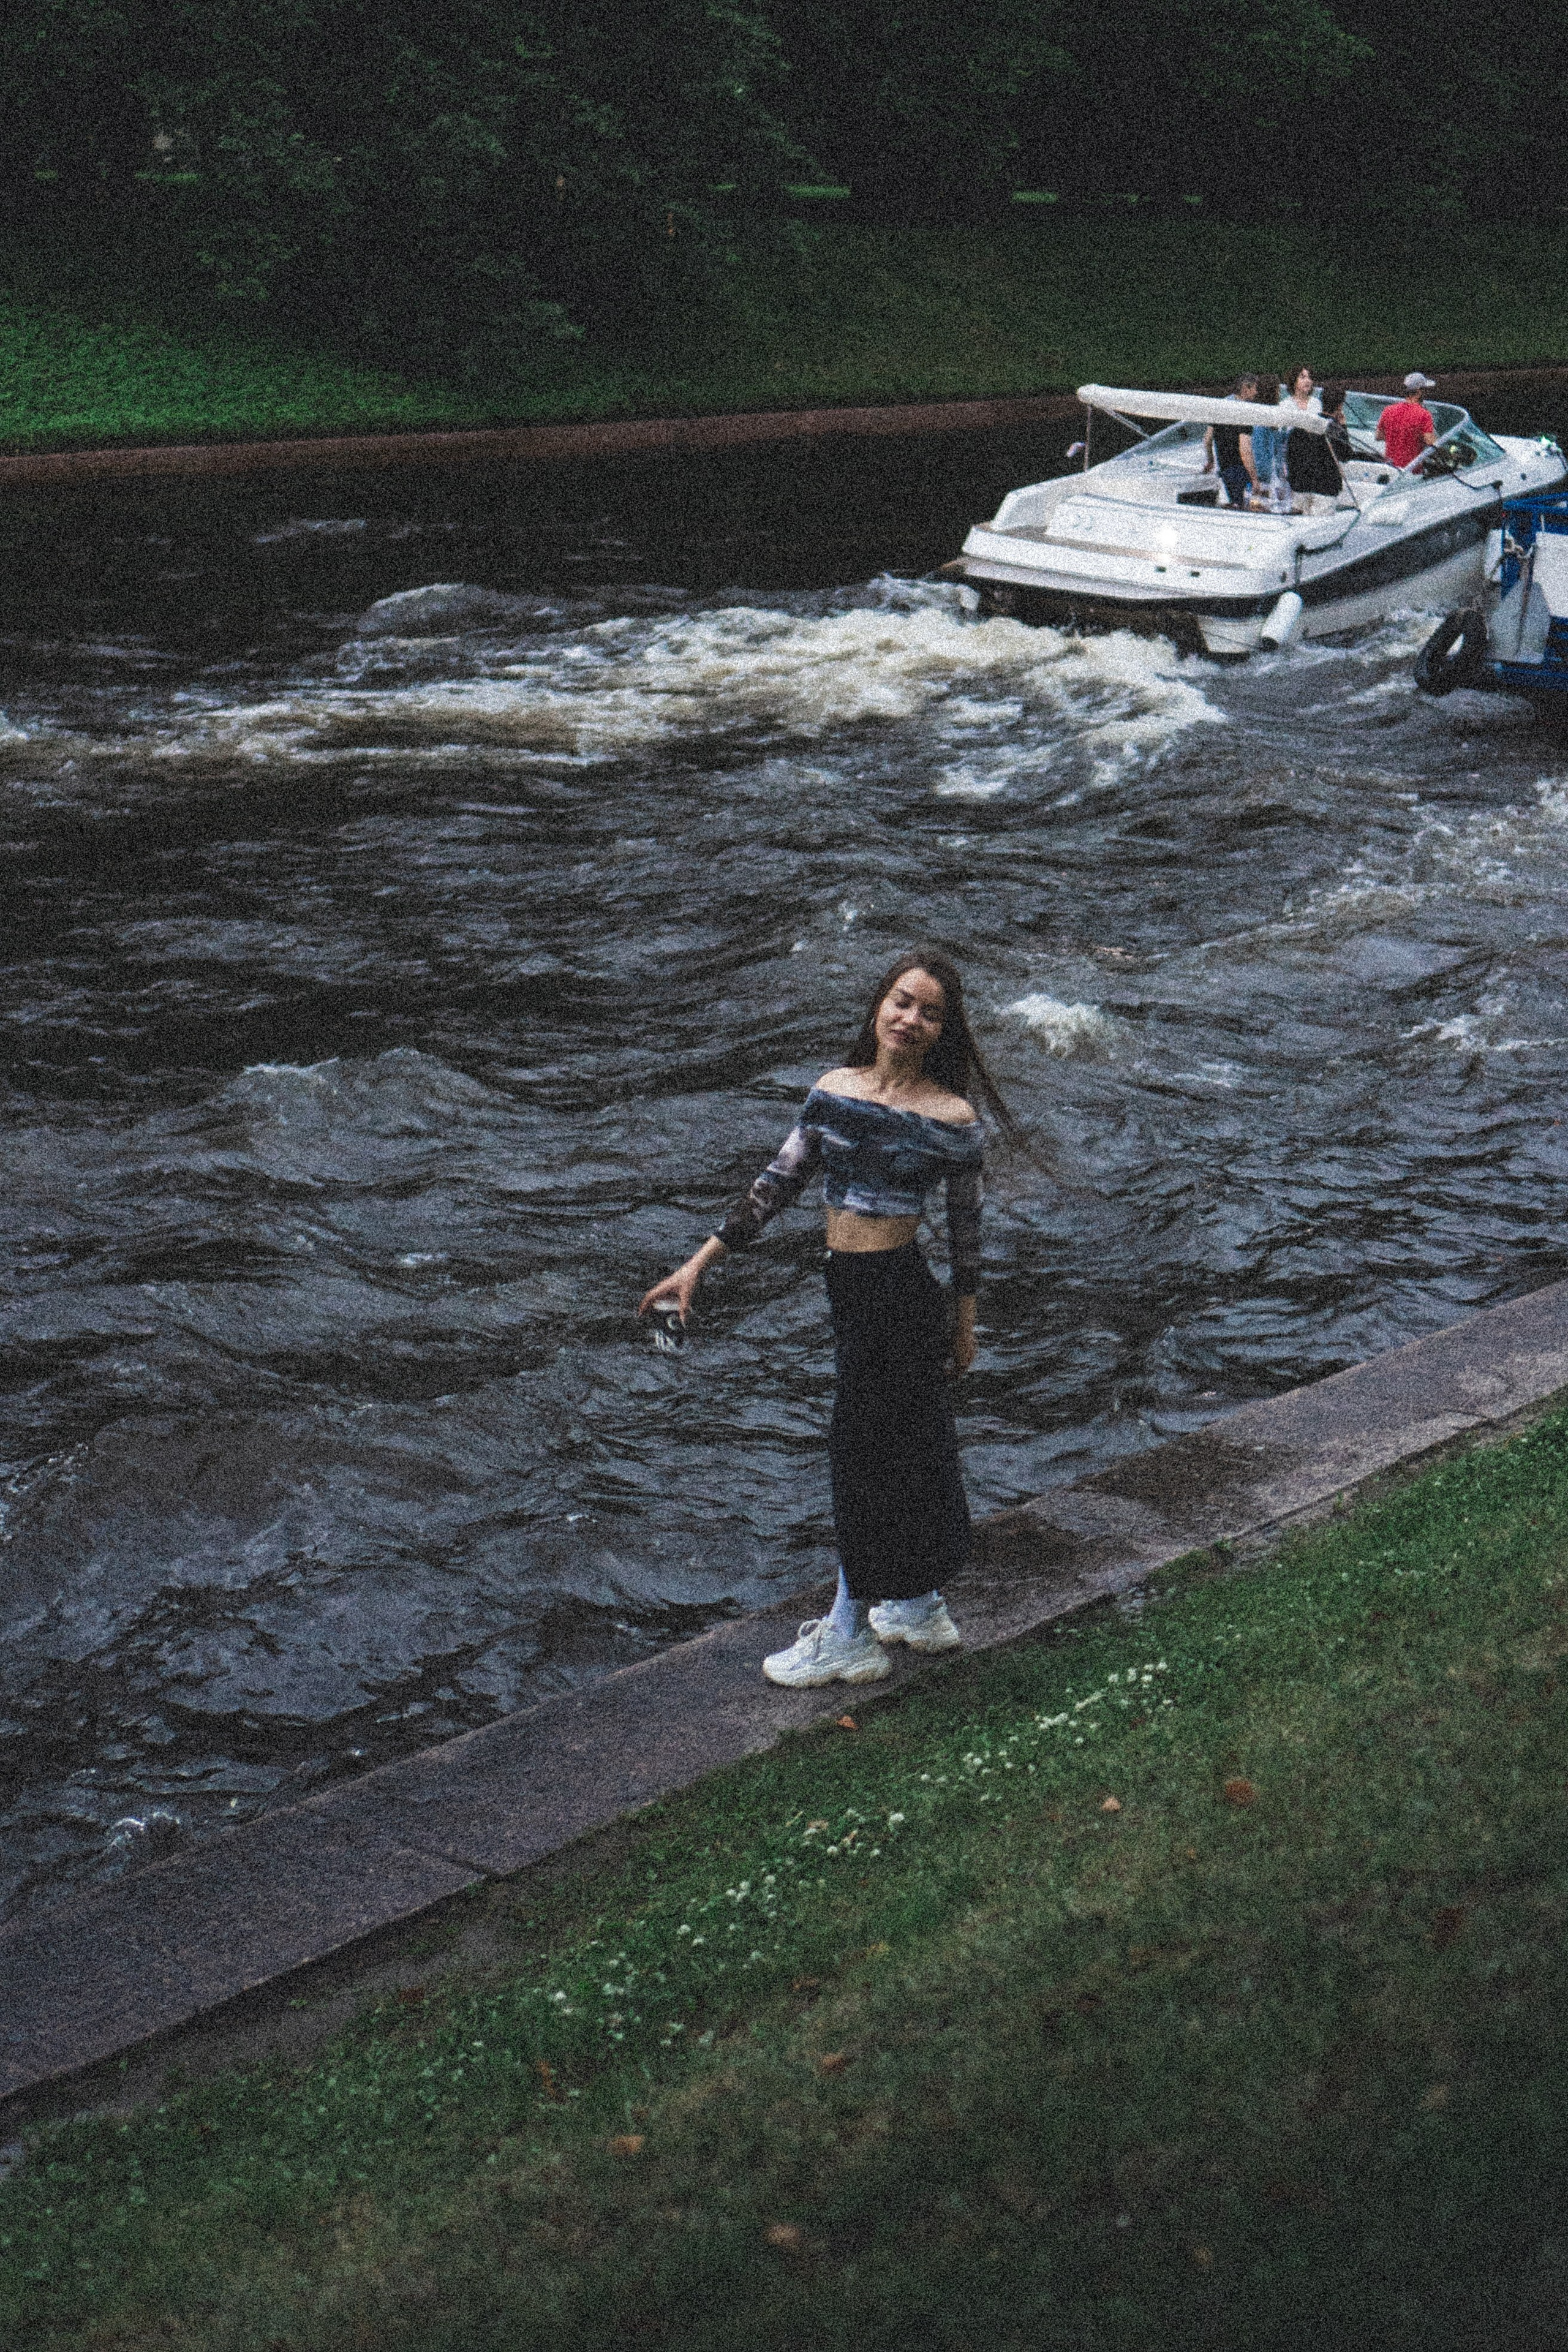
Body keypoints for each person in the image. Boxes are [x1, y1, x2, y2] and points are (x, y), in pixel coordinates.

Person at [638, 947, 1021, 1689]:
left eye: (931, 1012)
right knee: (901, 1448)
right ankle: (915, 1605)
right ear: (880, 1005)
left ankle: (847, 1632)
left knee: (866, 1456)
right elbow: (773, 1187)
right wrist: (696, 1266)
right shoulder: (833, 1092)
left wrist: (965, 1324)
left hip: (899, 1296)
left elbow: (967, 1235)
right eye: (902, 1002)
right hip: (850, 1289)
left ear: (947, 1030)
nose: (911, 1019)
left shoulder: (950, 1118)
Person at [1202, 372, 1259, 510]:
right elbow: (1245, 450)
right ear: (1246, 388)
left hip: (1225, 468)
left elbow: (1208, 438)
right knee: (1246, 509)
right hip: (1240, 470)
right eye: (1255, 389)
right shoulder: (1245, 412)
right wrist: (1255, 479)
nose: (1257, 393)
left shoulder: (1220, 407)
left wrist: (1210, 461)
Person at [1376, 372, 1438, 472]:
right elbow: (1430, 442)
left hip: (1390, 469)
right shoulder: (1424, 415)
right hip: (1411, 472)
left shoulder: (1388, 410)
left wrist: (1399, 437)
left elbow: (1378, 436)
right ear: (1419, 392)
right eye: (1425, 390)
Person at [1245, 376, 1291, 513]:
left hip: (1273, 479)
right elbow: (1260, 455)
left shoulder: (1270, 420)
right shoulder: (1261, 423)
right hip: (1264, 482)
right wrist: (1268, 479)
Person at [1319, 384, 1353, 464]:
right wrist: (1343, 426)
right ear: (1340, 406)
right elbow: (1346, 456)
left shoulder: (1312, 422)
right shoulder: (1336, 428)